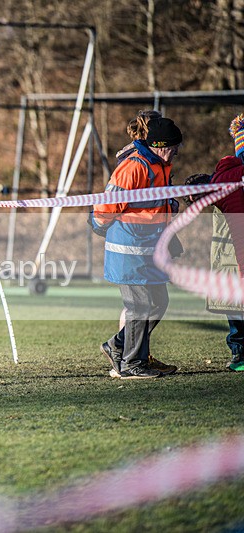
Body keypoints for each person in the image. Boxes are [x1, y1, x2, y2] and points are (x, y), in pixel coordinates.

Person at [90, 117, 184, 379]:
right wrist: (98, 224)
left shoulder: (161, 165)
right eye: (174, 146)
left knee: (158, 303)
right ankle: (132, 363)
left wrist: (171, 206)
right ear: (161, 145)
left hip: (149, 249)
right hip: (129, 250)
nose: (177, 150)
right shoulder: (134, 166)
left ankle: (118, 346)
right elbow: (107, 206)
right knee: (140, 306)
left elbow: (152, 203)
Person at [183, 113, 244, 371]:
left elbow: (200, 195)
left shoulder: (222, 177)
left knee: (236, 307)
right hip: (232, 252)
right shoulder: (227, 177)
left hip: (229, 255)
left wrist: (199, 188)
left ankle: (239, 353)